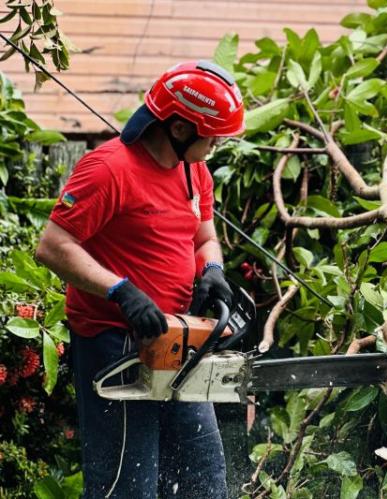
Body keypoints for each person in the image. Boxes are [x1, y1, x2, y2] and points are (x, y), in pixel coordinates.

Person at [35, 60, 245, 498]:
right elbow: (53, 245)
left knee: (203, 478)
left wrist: (212, 269)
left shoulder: (195, 171)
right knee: (127, 485)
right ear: (181, 128)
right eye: (212, 136)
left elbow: (205, 236)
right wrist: (120, 290)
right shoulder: (109, 169)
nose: (214, 146)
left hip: (178, 338)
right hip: (116, 343)